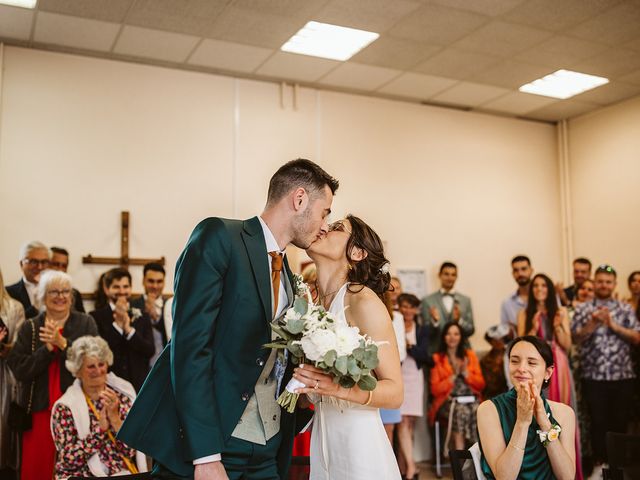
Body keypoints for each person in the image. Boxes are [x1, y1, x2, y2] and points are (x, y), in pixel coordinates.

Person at [118, 159, 337, 480]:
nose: (325, 224)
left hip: (269, 446)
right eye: (325, 211)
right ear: (299, 199)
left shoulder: (288, 275)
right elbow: (191, 349)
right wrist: (205, 454)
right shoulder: (221, 237)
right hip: (215, 443)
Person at [291, 215, 403, 480]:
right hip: (324, 438)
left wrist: (336, 387)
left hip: (359, 442)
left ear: (357, 252)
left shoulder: (362, 301)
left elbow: (395, 392)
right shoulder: (313, 307)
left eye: (336, 228)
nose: (324, 229)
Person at [7, 270, 98, 480]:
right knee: (38, 468)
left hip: (79, 409)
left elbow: (95, 364)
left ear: (72, 296)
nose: (60, 296)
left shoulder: (86, 323)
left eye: (65, 291)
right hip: (39, 410)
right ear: (42, 296)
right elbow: (19, 370)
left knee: (76, 467)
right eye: (54, 292)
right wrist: (47, 350)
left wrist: (64, 345)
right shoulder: (30, 327)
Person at [571, 264, 640, 474]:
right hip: (594, 376)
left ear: (614, 284)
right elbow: (574, 338)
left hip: (622, 376)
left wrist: (613, 325)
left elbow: (637, 338)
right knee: (598, 421)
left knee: (619, 421)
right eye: (600, 281)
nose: (603, 285)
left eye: (608, 282)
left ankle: (618, 465)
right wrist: (591, 324)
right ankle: (601, 465)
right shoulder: (583, 309)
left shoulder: (625, 308)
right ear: (594, 282)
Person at [478, 336, 576, 480]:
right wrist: (522, 422)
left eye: (531, 363)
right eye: (514, 361)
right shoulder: (489, 409)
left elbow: (567, 477)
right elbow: (504, 477)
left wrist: (544, 423)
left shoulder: (564, 413)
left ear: (548, 372)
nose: (521, 369)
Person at [51, 336, 147, 478]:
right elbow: (68, 460)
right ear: (77, 371)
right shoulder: (65, 407)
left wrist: (115, 419)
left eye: (101, 364)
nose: (98, 370)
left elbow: (132, 451)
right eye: (91, 366)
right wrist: (100, 431)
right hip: (81, 475)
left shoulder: (122, 396)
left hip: (121, 473)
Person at [90, 268, 154, 392]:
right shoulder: (95, 317)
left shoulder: (142, 316)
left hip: (139, 385)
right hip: (109, 385)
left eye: (126, 286)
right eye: (116, 287)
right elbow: (98, 353)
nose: (122, 291)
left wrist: (129, 331)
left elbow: (149, 350)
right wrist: (118, 326)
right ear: (106, 289)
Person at [428, 322, 484, 451]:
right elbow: (435, 390)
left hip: (471, 399)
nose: (452, 337)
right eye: (448, 334)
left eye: (456, 334)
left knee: (480, 411)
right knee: (460, 411)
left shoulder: (470, 356)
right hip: (448, 401)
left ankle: (479, 453)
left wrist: (466, 373)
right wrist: (452, 377)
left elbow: (481, 384)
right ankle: (460, 456)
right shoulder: (437, 358)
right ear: (443, 337)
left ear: (461, 337)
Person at [397, 293, 431, 480]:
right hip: (398, 375)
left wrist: (409, 346)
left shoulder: (422, 329)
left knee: (409, 424)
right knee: (402, 421)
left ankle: (404, 468)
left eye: (411, 306)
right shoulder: (394, 324)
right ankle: (411, 466)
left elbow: (425, 356)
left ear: (416, 309)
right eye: (404, 306)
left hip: (414, 377)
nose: (407, 310)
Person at [0, 269, 25, 479]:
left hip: (4, 377)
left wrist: (4, 344)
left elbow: (18, 347)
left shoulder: (13, 307)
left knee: (4, 430)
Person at [421, 262, 475, 353]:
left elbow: (471, 330)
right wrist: (434, 322)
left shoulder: (466, 300)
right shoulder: (427, 301)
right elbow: (425, 333)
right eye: (446, 274)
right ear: (439, 275)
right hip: (436, 354)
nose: (450, 278)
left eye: (453, 275)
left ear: (456, 277)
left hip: (462, 354)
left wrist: (460, 321)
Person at [379, 284, 407, 446]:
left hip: (389, 373)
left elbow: (401, 351)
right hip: (368, 375)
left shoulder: (397, 317)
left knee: (388, 428)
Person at [131, 262, 170, 367]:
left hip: (166, 363)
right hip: (139, 365)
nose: (155, 286)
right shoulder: (132, 305)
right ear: (143, 281)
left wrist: (155, 318)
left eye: (159, 281)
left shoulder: (171, 306)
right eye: (151, 281)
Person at [6, 241, 50, 318]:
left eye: (44, 262)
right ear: (21, 264)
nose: (39, 267)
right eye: (34, 262)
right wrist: (35, 306)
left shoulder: (61, 291)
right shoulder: (8, 293)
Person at [501, 255, 533, 334]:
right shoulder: (507, 303)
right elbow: (506, 333)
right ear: (512, 274)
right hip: (519, 344)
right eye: (516, 270)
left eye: (524, 269)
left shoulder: (545, 296)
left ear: (531, 270)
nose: (520, 273)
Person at [480, 324, 512, 400]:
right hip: (492, 397)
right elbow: (489, 385)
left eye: (501, 339)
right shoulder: (485, 361)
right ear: (490, 341)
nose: (498, 342)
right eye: (495, 340)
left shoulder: (511, 357)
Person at [49, 246, 86, 313]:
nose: (60, 269)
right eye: (56, 264)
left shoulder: (74, 294)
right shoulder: (37, 291)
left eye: (64, 266)